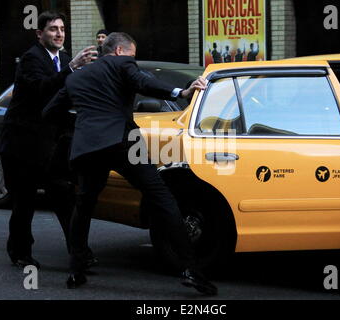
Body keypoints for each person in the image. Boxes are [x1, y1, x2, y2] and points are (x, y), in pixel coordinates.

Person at [43, 32, 218, 295]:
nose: (132, 60)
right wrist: (180, 91)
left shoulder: (75, 76)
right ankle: (191, 269)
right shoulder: (122, 63)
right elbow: (143, 82)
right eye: (132, 55)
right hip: (124, 142)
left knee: (85, 203)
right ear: (118, 51)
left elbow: (49, 113)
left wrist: (84, 126)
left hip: (88, 148)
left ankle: (76, 267)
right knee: (161, 197)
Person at [0, 11, 98, 269]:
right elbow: (43, 89)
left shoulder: (63, 58)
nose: (59, 33)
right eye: (53, 29)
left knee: (65, 198)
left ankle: (79, 253)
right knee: (24, 202)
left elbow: (64, 98)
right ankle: (19, 252)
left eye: (62, 29)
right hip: (22, 144)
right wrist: (72, 68)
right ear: (40, 34)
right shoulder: (32, 59)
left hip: (51, 145)